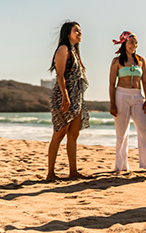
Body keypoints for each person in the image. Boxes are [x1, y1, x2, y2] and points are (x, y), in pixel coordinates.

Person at [108, 31, 146, 172]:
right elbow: (111, 83)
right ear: (124, 43)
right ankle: (121, 166)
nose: (134, 45)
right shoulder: (116, 61)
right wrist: (112, 103)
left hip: (138, 96)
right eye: (131, 42)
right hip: (121, 95)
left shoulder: (141, 60)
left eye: (136, 42)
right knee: (121, 132)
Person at [46, 21, 90, 180]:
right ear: (67, 34)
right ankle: (50, 173)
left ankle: (73, 172)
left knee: (73, 135)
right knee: (59, 134)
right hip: (64, 98)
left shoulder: (74, 52)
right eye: (76, 31)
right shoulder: (63, 49)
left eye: (80, 31)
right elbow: (60, 75)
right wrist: (65, 95)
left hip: (76, 99)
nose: (79, 33)